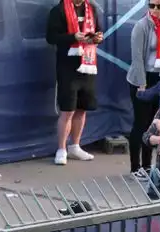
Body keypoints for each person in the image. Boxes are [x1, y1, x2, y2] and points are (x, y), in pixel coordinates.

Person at [47, 0, 105, 165]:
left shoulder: (91, 8)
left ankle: (75, 146)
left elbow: (98, 31)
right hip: (68, 67)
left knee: (82, 108)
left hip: (87, 64)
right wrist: (73, 37)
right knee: (67, 110)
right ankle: (61, 149)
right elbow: (51, 37)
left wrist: (98, 37)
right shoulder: (58, 10)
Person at [127, 0, 160, 173]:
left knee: (154, 123)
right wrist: (142, 84)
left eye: (159, 6)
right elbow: (137, 57)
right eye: (152, 5)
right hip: (143, 78)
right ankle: (135, 168)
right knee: (141, 123)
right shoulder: (141, 26)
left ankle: (147, 165)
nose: (155, 9)